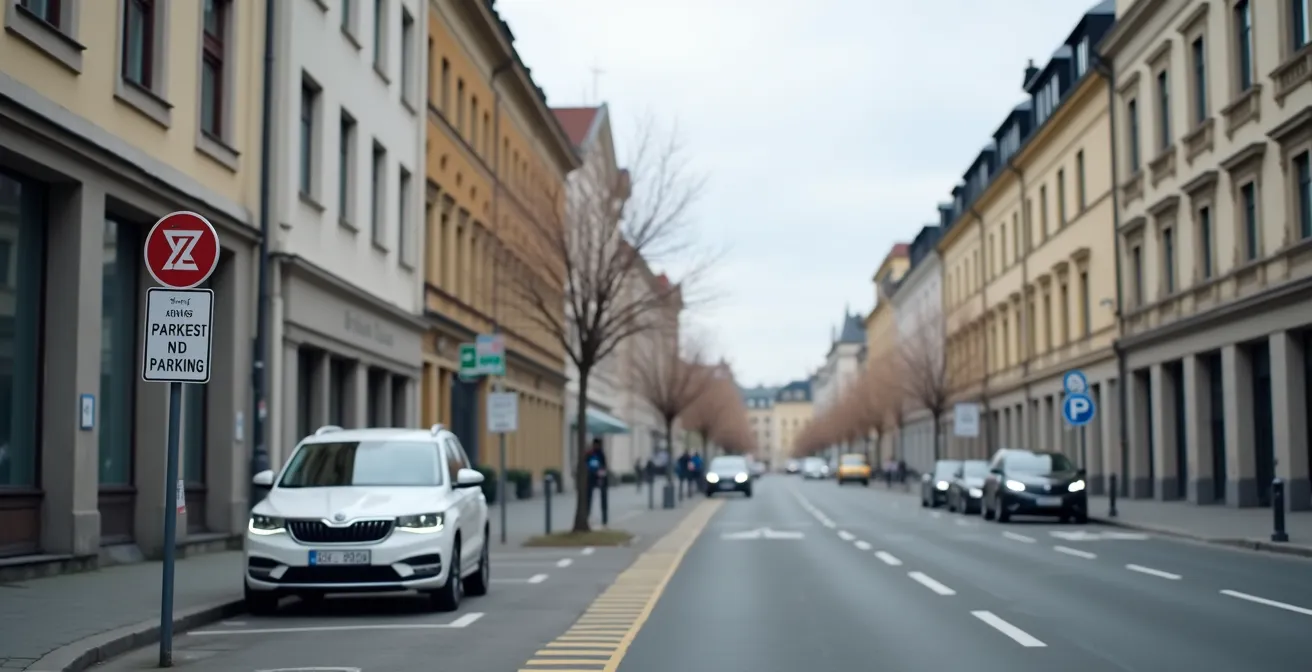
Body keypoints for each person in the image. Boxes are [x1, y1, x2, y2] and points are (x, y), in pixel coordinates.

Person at [585, 438, 608, 517]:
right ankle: (587, 513)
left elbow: (604, 466)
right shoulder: (592, 453)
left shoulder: (599, 454)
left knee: (602, 497)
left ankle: (604, 516)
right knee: (589, 497)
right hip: (593, 477)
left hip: (598, 477)